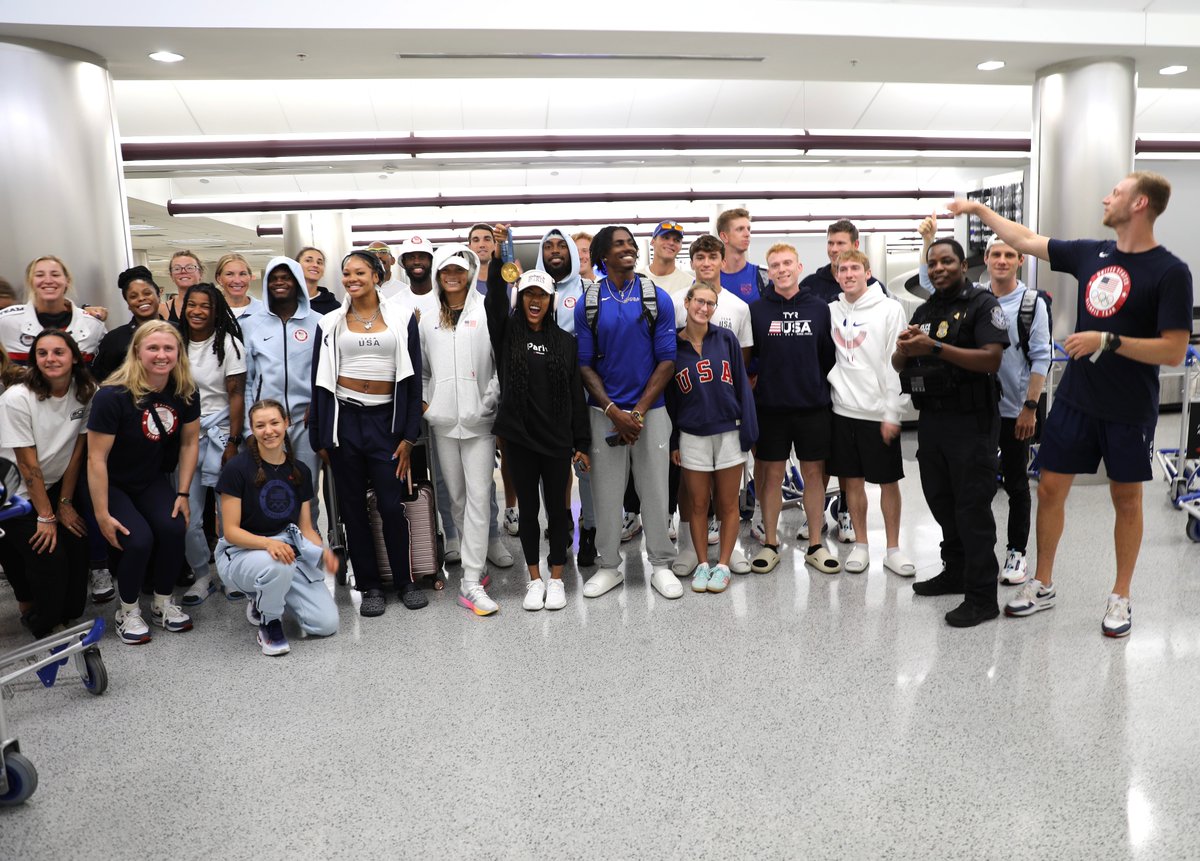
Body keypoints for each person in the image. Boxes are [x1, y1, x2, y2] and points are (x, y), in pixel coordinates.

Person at [949, 172, 1193, 637]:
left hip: (1128, 407)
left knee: (1126, 499)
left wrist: (1110, 340)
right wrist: (978, 212)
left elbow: (1173, 350)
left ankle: (1121, 595)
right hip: (1077, 400)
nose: (1107, 197)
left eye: (1116, 192)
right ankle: (1043, 583)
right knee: (1049, 490)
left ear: (1140, 203)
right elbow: (1022, 237)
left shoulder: (1170, 271)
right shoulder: (1090, 253)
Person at [918, 220, 1051, 585]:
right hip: (979, 411)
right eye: (996, 254)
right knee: (973, 488)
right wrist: (928, 242)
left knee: (1016, 483)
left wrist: (1030, 407)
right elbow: (932, 281)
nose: (1002, 260)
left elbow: (1041, 357)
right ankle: (962, 563)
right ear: (985, 260)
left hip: (1015, 409)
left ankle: (1016, 552)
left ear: (1020, 260)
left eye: (1010, 254)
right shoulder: (972, 296)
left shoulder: (1030, 303)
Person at [892, 238, 1008, 628]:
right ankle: (955, 571)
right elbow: (898, 363)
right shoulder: (925, 310)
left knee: (972, 507)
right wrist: (905, 349)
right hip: (934, 422)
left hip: (972, 422)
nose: (939, 268)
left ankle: (982, 596)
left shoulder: (982, 305)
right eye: (933, 262)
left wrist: (935, 347)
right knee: (941, 501)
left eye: (947, 261)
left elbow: (991, 359)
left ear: (962, 265)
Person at [311, 250, 423, 617]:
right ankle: (370, 585)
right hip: (345, 423)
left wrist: (408, 436)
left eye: (359, 272)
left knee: (391, 506)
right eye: (346, 273)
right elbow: (319, 383)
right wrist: (322, 437)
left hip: (385, 425)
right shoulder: (329, 323)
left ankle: (405, 581)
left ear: (377, 275)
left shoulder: (403, 318)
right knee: (353, 510)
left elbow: (413, 382)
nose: (351, 278)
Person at [575, 225, 680, 600]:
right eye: (619, 244)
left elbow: (667, 360)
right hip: (604, 413)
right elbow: (584, 365)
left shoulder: (657, 297)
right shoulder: (590, 301)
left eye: (631, 243)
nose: (628, 248)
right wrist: (612, 410)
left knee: (655, 490)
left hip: (650, 412)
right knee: (605, 493)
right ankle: (608, 566)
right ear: (603, 255)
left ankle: (662, 564)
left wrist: (635, 413)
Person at [484, 264, 590, 610]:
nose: (535, 300)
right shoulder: (507, 334)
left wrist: (582, 443)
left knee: (558, 513)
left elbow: (576, 395)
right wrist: (498, 260)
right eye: (528, 293)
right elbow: (494, 303)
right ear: (521, 298)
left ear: (551, 301)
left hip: (557, 440)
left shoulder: (565, 342)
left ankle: (557, 578)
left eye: (541, 295)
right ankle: (534, 580)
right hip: (519, 439)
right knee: (528, 512)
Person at [87, 321, 200, 644]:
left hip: (150, 480)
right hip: (111, 482)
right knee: (138, 540)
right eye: (153, 348)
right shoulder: (112, 395)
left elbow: (190, 443)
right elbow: (96, 459)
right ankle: (128, 609)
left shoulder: (184, 391)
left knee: (174, 527)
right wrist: (101, 513)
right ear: (137, 351)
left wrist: (182, 493)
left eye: (168, 348)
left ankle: (163, 603)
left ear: (179, 353)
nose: (161, 355)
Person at [420, 244, 505, 615]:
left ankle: (470, 581)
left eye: (458, 270)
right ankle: (476, 563)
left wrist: (489, 401)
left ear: (469, 273)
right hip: (442, 422)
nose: (452, 277)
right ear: (438, 276)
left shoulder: (485, 312)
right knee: (455, 498)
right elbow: (422, 370)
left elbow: (501, 362)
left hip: (479, 421)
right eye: (445, 271)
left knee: (479, 495)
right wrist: (427, 402)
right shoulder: (427, 319)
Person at [217, 399, 339, 656]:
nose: (268, 430)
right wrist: (268, 543)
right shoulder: (236, 469)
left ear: (287, 423)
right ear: (252, 429)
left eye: (274, 422)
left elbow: (306, 528)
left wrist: (323, 552)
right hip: (241, 553)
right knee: (277, 565)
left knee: (326, 624)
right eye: (260, 425)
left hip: (285, 550)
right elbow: (231, 531)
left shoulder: (300, 471)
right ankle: (269, 622)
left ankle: (269, 595)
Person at [748, 243, 839, 575]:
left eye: (787, 263)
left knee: (814, 475)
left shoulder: (819, 309)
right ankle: (771, 543)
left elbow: (827, 356)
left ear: (799, 266)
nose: (781, 269)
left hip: (812, 406)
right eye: (775, 265)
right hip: (770, 409)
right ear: (768, 272)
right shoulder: (756, 310)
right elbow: (752, 358)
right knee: (770, 477)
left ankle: (815, 544)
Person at [0, 330, 96, 638]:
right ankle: (40, 621)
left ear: (74, 357)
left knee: (77, 544)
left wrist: (65, 504)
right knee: (48, 553)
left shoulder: (86, 390)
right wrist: (46, 515)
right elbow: (27, 464)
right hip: (13, 492)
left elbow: (77, 452)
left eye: (58, 352)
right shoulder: (17, 398)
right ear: (34, 359)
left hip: (53, 485)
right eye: (42, 353)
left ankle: (61, 614)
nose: (50, 359)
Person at [801, 219, 889, 544]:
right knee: (821, 458)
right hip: (821, 386)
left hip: (859, 392)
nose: (835, 250)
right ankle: (816, 515)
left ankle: (846, 515)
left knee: (850, 465)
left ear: (855, 246)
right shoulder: (811, 283)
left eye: (841, 244)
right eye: (831, 244)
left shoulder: (872, 287)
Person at [670, 234, 753, 578]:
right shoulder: (673, 314)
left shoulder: (734, 318)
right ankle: (695, 555)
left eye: (709, 304)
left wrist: (748, 429)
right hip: (692, 429)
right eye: (699, 257)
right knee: (695, 499)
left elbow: (743, 377)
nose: (703, 308)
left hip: (728, 425)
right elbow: (669, 387)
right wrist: (673, 438)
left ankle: (727, 558)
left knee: (728, 500)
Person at [826, 249, 913, 576]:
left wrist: (893, 412)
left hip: (878, 413)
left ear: (867, 272)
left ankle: (893, 549)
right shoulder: (832, 310)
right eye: (842, 269)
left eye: (854, 269)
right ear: (836, 275)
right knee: (852, 483)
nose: (848, 274)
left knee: (889, 482)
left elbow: (896, 364)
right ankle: (861, 545)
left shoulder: (890, 310)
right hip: (843, 410)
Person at [242, 256, 324, 531]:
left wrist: (319, 407)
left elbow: (325, 373)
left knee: (306, 488)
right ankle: (277, 546)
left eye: (286, 277)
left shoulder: (319, 322)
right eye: (274, 278)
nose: (280, 282)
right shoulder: (252, 324)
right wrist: (247, 428)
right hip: (267, 424)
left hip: (304, 422)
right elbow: (248, 380)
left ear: (297, 281)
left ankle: (309, 547)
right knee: (271, 490)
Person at [177, 283, 246, 605]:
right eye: (192, 304)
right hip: (185, 437)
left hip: (220, 434)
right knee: (188, 513)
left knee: (226, 513)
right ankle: (202, 575)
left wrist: (233, 441)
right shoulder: (175, 344)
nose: (197, 311)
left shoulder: (228, 344)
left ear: (215, 310)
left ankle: (231, 574)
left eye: (205, 305)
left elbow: (236, 394)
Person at [533, 225, 598, 565]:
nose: (555, 251)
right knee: (551, 468)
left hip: (583, 391)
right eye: (549, 246)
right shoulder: (528, 289)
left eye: (562, 246)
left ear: (572, 253)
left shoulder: (589, 289)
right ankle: (562, 525)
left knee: (585, 464)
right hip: (544, 397)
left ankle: (590, 528)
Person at [0, 255, 106, 365]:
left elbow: (103, 372)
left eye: (55, 275)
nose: (48, 280)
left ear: (67, 281)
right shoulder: (6, 321)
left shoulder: (93, 325)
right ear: (30, 282)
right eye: (40, 275)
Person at [93, 267, 164, 382]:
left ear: (158, 296)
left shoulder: (178, 331)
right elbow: (103, 380)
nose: (141, 298)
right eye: (133, 296)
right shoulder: (114, 339)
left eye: (147, 293)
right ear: (128, 304)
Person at [717, 208, 769, 303]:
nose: (747, 234)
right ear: (724, 236)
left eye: (748, 229)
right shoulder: (709, 277)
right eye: (740, 229)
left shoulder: (764, 276)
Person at [637, 220, 694, 295]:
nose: (671, 243)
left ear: (680, 246)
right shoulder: (636, 280)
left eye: (677, 240)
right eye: (665, 238)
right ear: (653, 242)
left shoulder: (690, 284)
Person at [214, 253, 263, 321]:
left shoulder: (265, 311)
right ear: (219, 279)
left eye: (242, 274)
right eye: (229, 274)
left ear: (250, 277)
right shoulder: (211, 311)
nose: (237, 281)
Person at [161, 251, 204, 324]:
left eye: (190, 268)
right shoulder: (162, 309)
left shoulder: (215, 305)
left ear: (200, 273)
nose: (183, 271)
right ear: (171, 276)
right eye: (177, 269)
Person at [297, 246, 340, 315]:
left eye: (319, 262)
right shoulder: (286, 301)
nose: (315, 265)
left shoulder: (334, 307)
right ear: (296, 266)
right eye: (308, 260)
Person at [468, 223, 498, 294]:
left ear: (495, 245)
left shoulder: (509, 285)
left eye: (487, 239)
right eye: (476, 240)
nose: (481, 245)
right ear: (469, 247)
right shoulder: (462, 285)